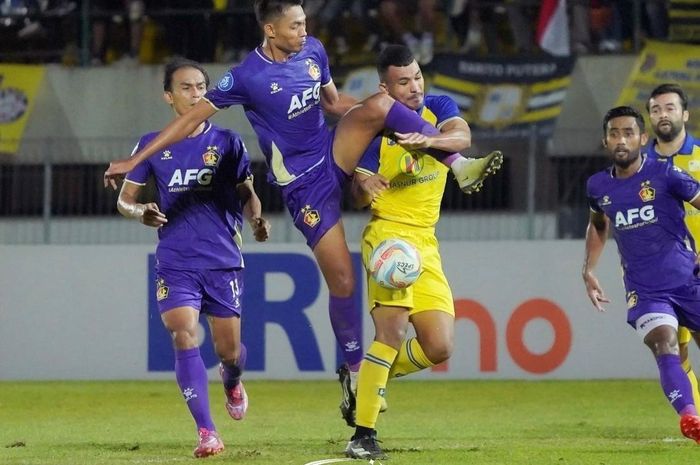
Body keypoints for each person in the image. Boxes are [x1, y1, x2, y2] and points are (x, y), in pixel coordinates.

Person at [104, 0, 502, 426]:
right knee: (343, 279)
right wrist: (136, 160)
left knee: (382, 105)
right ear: (271, 30)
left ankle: (460, 166)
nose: (304, 30)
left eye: (304, 22)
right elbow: (187, 122)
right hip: (302, 185)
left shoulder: (313, 51)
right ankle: (353, 371)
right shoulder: (245, 76)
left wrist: (379, 114)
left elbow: (333, 103)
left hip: (332, 152)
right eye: (295, 25)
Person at [116, 58, 271, 458]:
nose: (196, 93)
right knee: (183, 333)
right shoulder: (152, 145)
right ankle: (207, 431)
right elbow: (124, 200)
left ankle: (232, 380)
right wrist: (141, 212)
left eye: (201, 86)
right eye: (185, 87)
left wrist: (255, 216)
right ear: (169, 96)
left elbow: (246, 190)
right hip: (175, 259)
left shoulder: (227, 142)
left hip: (222, 258)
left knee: (228, 352)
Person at [345, 44, 468, 460]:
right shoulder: (374, 130)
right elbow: (357, 193)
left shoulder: (437, 106)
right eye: (403, 81)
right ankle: (362, 435)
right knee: (391, 333)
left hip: (426, 242)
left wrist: (430, 138)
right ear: (385, 87)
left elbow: (463, 137)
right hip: (388, 239)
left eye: (416, 76)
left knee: (440, 346)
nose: (414, 87)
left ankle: (363, 382)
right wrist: (368, 185)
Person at [582, 105, 700, 443]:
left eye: (629, 133)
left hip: (688, 280)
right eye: (615, 133)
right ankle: (690, 417)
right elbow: (598, 225)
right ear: (605, 141)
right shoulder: (598, 186)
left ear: (642, 138)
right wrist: (588, 269)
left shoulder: (666, 175)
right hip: (646, 292)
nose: (621, 139)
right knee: (664, 344)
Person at [646, 83, 700, 408]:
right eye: (656, 109)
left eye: (669, 107)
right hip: (666, 274)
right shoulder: (640, 167)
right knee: (676, 351)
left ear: (685, 114)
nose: (663, 114)